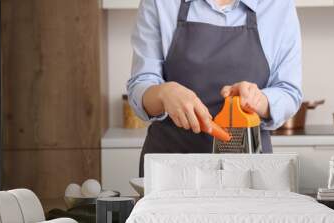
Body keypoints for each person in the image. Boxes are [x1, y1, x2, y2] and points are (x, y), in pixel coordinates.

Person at [127, 0, 303, 176]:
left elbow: (289, 91)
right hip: (169, 170)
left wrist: (259, 100)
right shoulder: (160, 3)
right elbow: (141, 84)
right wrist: (164, 93)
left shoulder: (278, 5)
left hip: (249, 172)